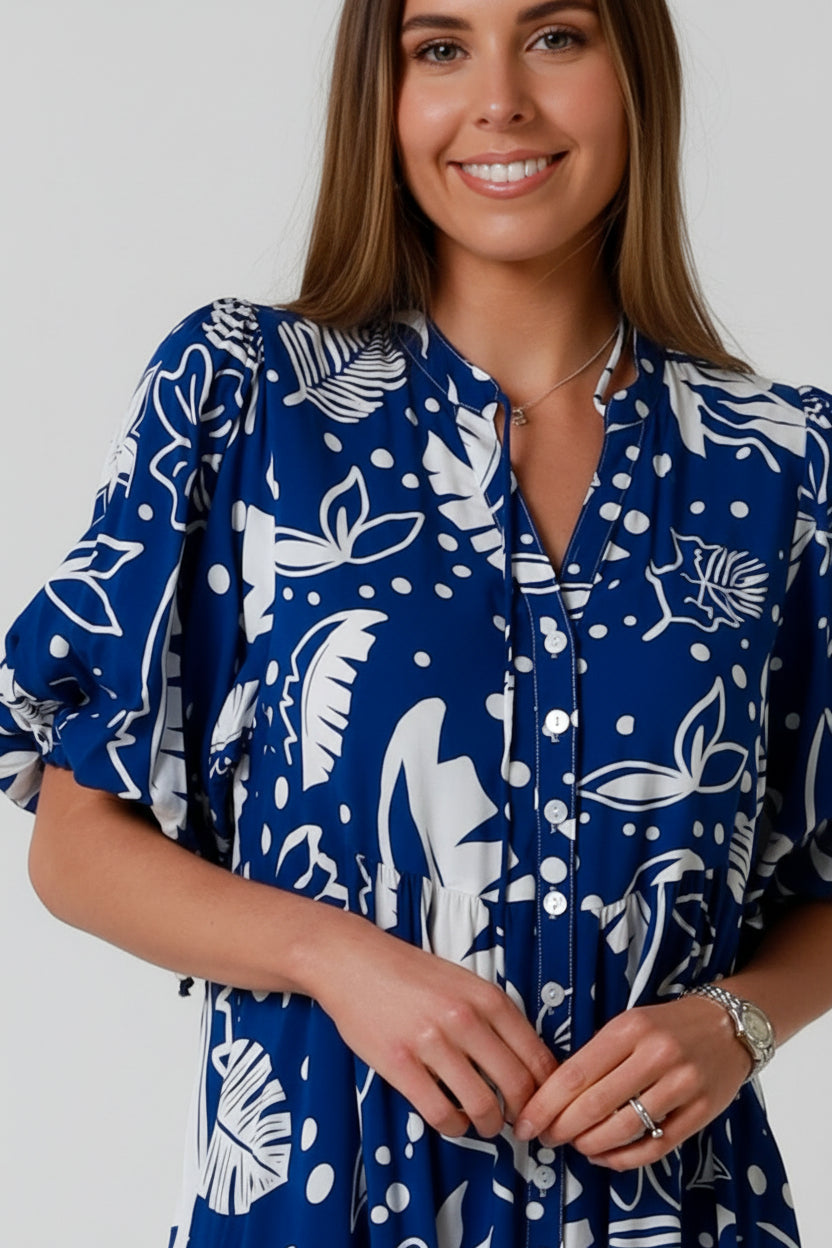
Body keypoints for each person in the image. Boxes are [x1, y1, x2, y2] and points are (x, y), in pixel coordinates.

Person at [1, 0, 831, 1245]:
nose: (499, 98)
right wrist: (336, 959)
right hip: (323, 1202)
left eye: (555, 37)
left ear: (634, 70)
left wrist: (742, 1019)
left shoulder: (784, 463)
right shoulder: (244, 397)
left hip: (680, 1212)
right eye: (438, 48)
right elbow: (75, 841)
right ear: (379, 99)